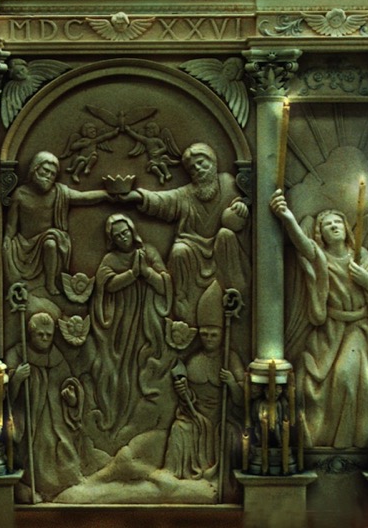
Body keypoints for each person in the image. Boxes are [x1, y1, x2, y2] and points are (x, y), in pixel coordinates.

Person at [269, 190, 368, 448]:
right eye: (328, 225)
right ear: (321, 234)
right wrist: (286, 216)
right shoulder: (321, 257)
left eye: (338, 222)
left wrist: (367, 281)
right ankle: (321, 439)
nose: (334, 226)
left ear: (346, 229)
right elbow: (302, 244)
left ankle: (351, 443)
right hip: (331, 330)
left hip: (359, 328)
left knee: (346, 376)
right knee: (310, 381)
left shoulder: (360, 256)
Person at [120, 143, 249, 323]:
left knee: (225, 235)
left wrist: (241, 206)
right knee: (179, 251)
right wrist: (136, 197)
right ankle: (183, 307)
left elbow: (242, 206)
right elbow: (163, 201)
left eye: (201, 163)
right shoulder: (186, 194)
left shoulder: (228, 183)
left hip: (222, 249)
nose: (198, 169)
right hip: (192, 250)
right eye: (193, 168)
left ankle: (236, 298)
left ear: (213, 162)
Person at [90, 214, 173, 433]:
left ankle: (139, 419)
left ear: (133, 231)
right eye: (117, 236)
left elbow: (164, 285)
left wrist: (146, 272)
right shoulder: (110, 259)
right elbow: (106, 286)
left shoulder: (148, 253)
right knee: (119, 368)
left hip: (146, 322)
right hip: (120, 324)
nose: (123, 238)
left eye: (125, 232)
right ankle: (114, 418)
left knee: (141, 364)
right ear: (112, 239)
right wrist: (132, 274)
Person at [163, 280, 244, 491]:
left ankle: (224, 482)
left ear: (222, 334)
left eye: (213, 335)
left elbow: (241, 399)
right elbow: (189, 400)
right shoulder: (193, 361)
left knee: (230, 435)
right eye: (204, 334)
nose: (208, 339)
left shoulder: (230, 358)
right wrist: (185, 393)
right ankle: (177, 479)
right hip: (196, 418)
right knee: (179, 428)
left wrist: (232, 383)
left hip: (221, 418)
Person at [2, 151, 113, 296]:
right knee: (8, 254)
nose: (49, 176)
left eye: (53, 174)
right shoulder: (20, 194)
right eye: (46, 171)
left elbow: (83, 197)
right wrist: (7, 239)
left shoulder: (58, 192)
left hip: (47, 239)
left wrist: (106, 195)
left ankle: (50, 283)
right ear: (35, 169)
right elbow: (11, 225)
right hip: (24, 245)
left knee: (51, 243)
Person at [6, 311, 82, 502]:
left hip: (54, 420)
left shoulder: (57, 357)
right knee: (34, 454)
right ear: (30, 334)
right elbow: (2, 393)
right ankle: (30, 487)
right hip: (29, 419)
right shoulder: (17, 354)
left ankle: (61, 488)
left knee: (60, 449)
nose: (45, 339)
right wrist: (16, 379)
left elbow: (69, 383)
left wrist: (72, 398)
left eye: (49, 335)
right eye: (40, 334)